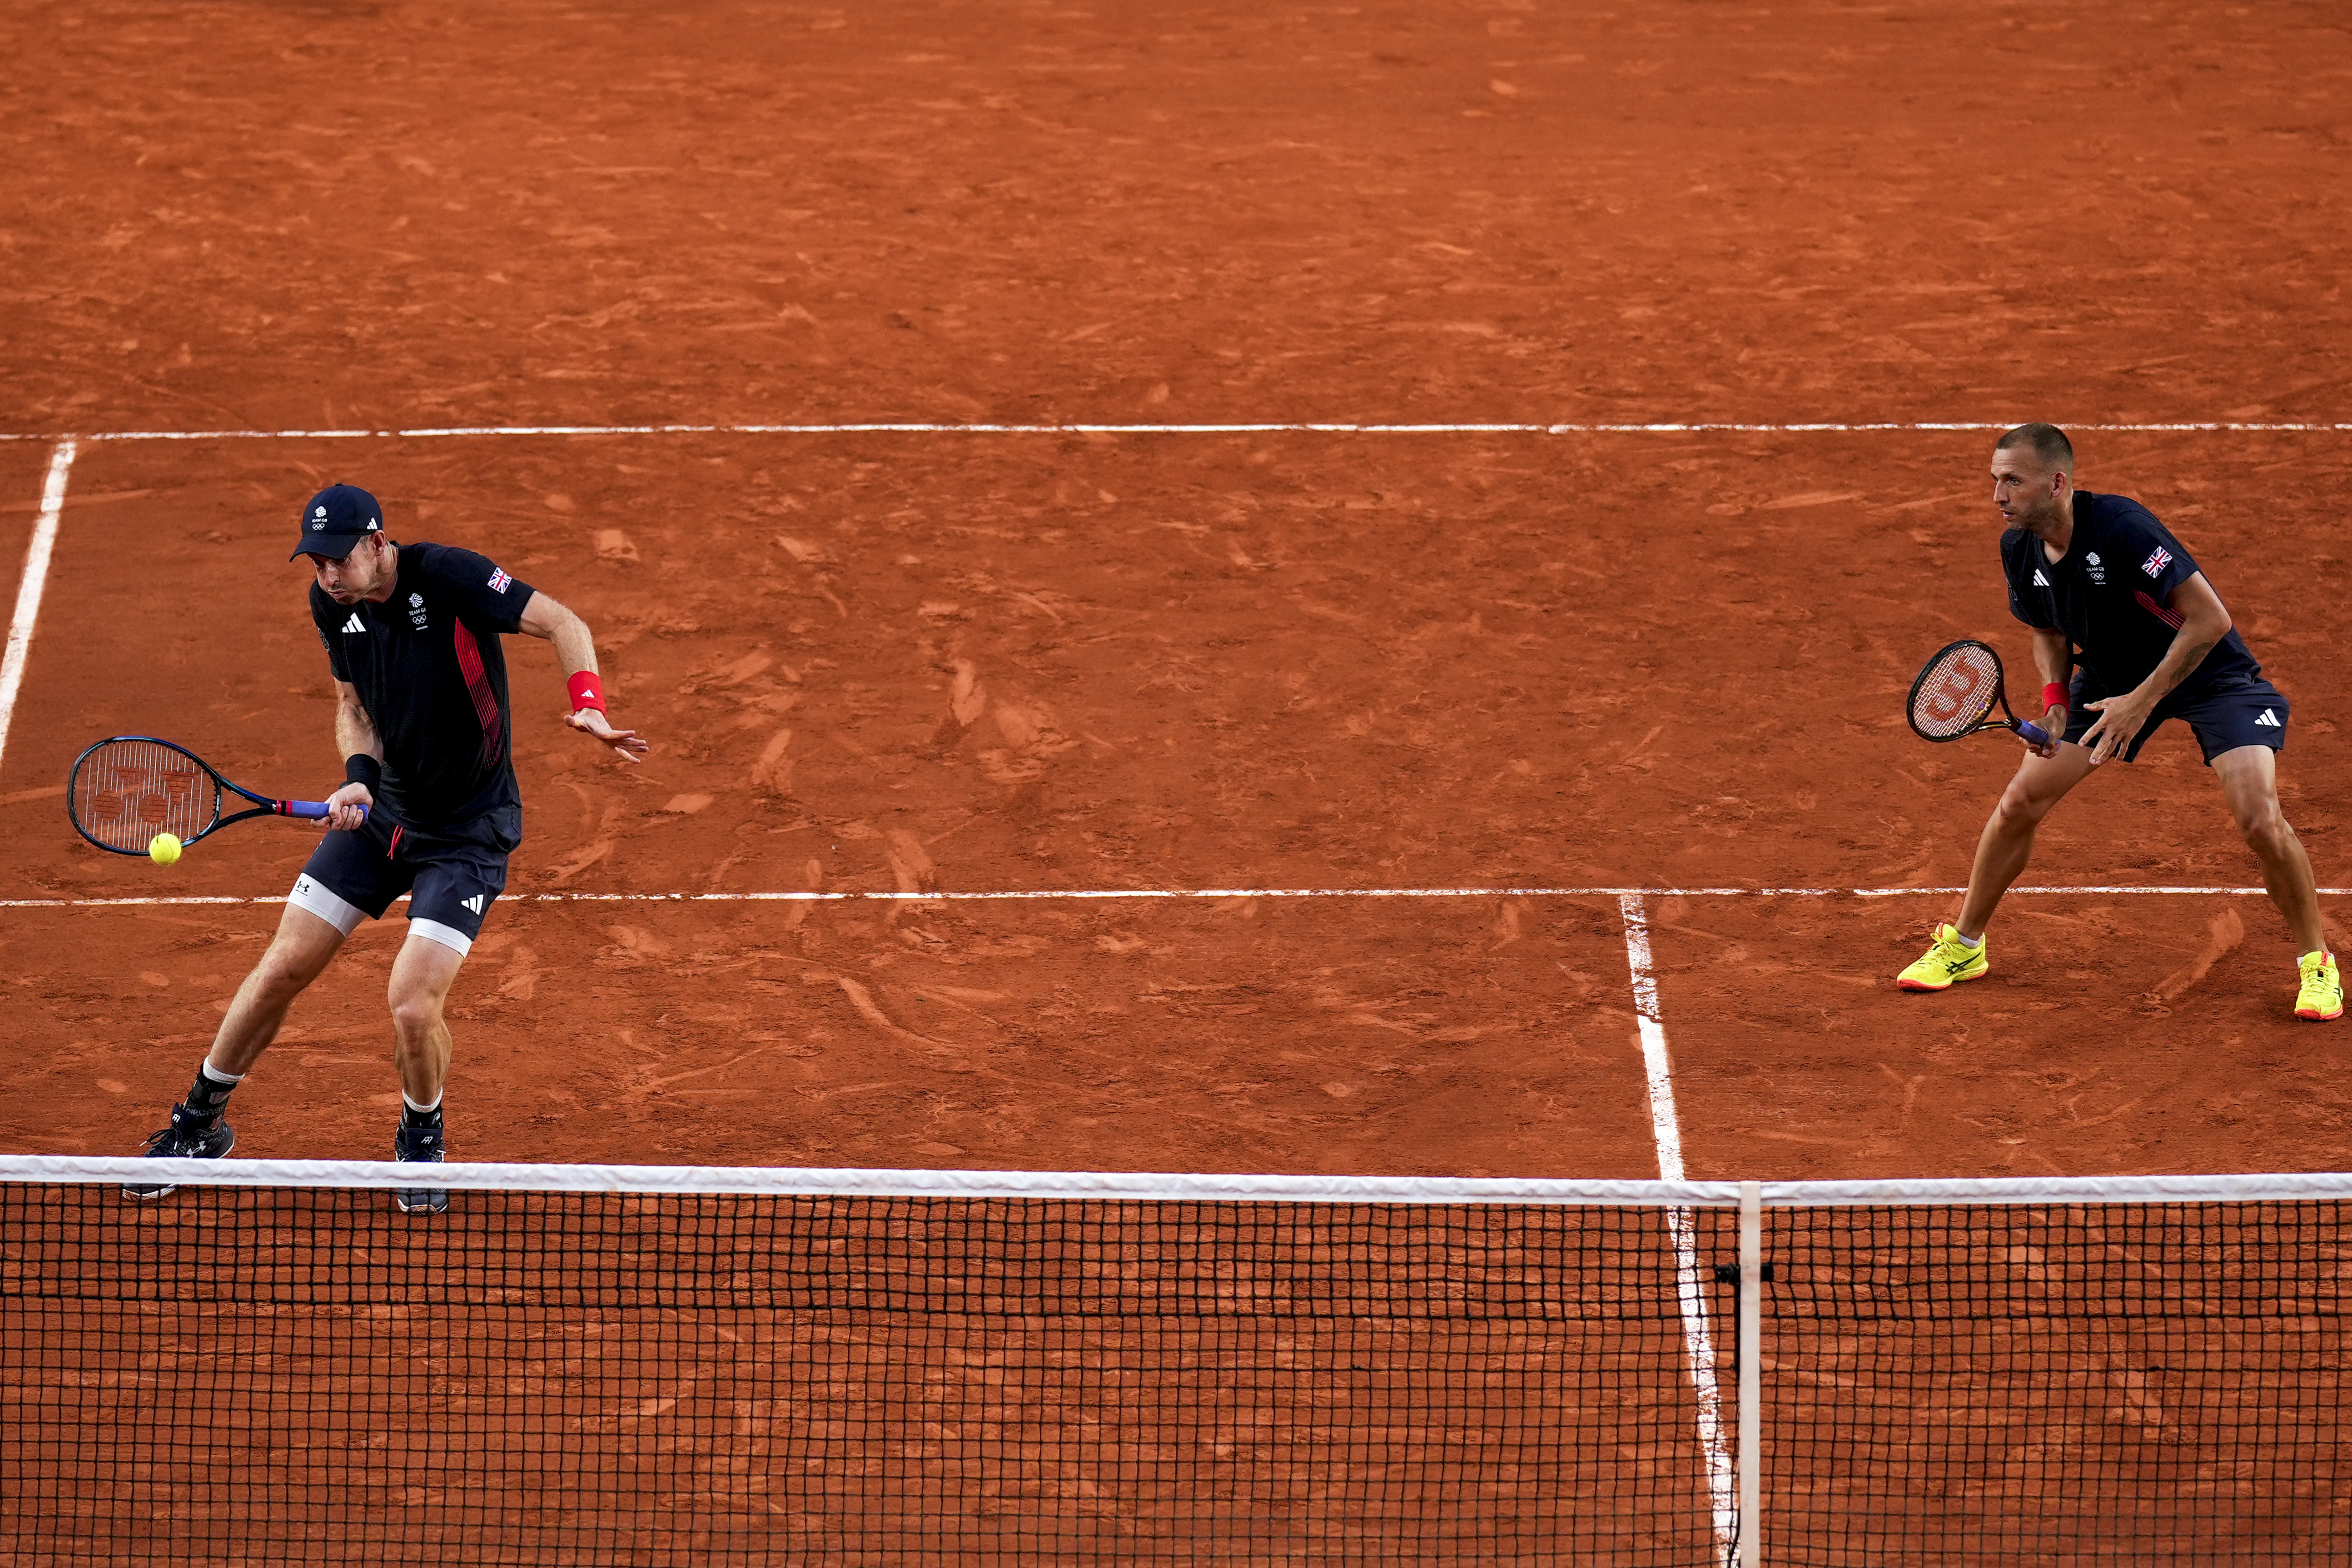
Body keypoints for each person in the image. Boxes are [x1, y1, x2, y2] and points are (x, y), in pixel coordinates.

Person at [128, 483, 650, 1210]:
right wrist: (359, 781)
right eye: (315, 566)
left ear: (378, 544)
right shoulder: (331, 608)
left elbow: (564, 621)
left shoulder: (449, 577)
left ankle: (421, 1133)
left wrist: (589, 705)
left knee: (410, 1005)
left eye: (338, 561)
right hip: (384, 820)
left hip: (467, 833)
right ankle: (198, 1122)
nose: (328, 577)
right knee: (284, 965)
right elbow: (354, 708)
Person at [1898, 424, 2337, 1020]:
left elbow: (2210, 620)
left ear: (2056, 483)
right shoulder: (2018, 547)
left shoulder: (2123, 527)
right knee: (2019, 803)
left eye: (2012, 481)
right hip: (2105, 680)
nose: (1997, 495)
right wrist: (2056, 700)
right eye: (1994, 481)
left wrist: (2141, 700)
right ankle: (1965, 946)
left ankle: (2317, 965)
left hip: (2210, 676)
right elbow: (2047, 629)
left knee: (2259, 817)